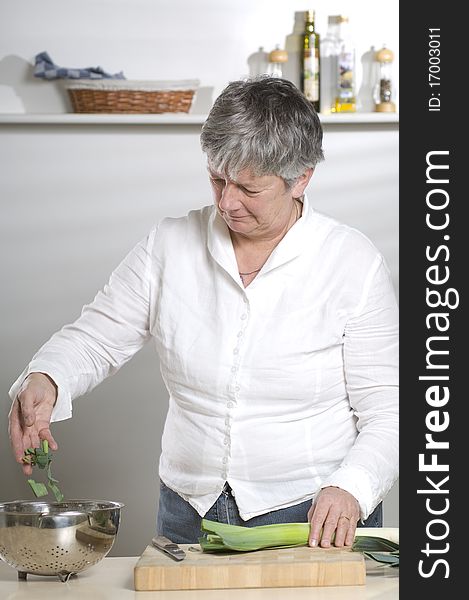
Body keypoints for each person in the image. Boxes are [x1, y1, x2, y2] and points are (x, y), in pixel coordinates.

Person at [8, 76, 398, 549]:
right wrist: (47, 378)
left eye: (249, 189)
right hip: (189, 508)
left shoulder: (352, 262)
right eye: (217, 179)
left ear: (301, 178)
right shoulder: (169, 245)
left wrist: (352, 486)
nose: (227, 202)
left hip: (315, 511)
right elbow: (95, 338)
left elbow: (388, 407)